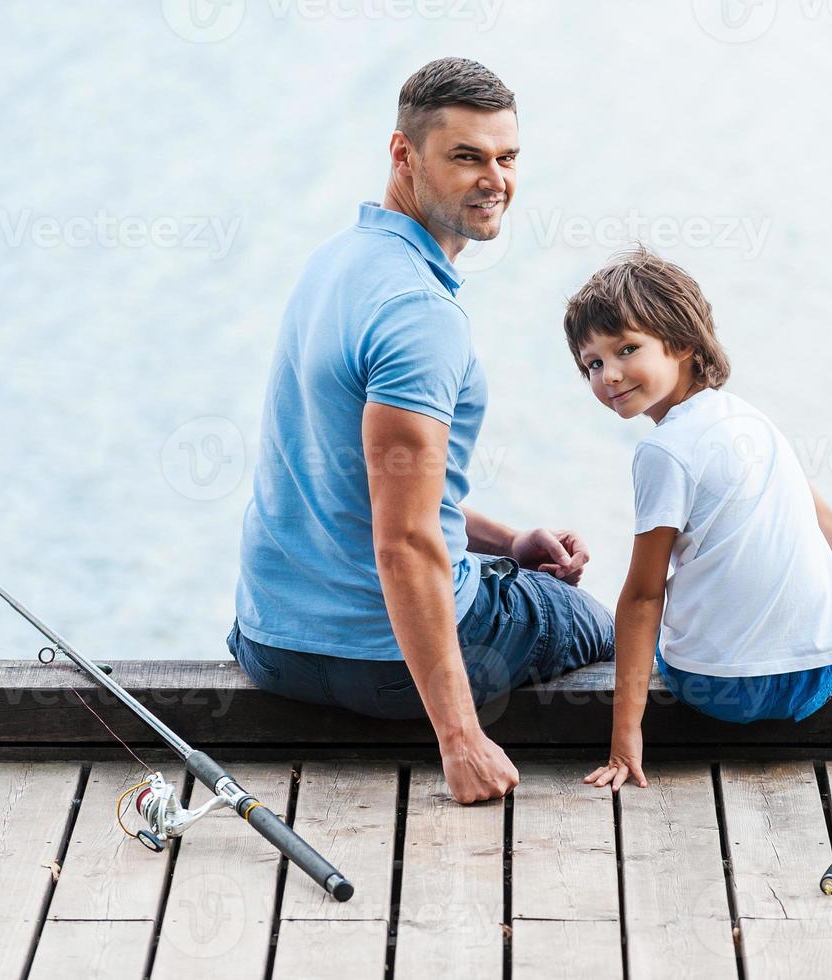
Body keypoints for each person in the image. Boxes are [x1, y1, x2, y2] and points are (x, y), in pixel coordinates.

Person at [228, 58, 615, 805]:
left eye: (506, 158)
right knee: (594, 620)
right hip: (380, 664)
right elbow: (402, 541)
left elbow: (355, 483)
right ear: (403, 155)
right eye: (466, 157)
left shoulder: (331, 266)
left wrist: (507, 545)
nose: (494, 179)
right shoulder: (419, 315)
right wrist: (460, 737)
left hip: (270, 646)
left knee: (506, 574)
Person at [565, 248, 832, 793]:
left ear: (681, 343)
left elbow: (644, 596)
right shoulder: (752, 419)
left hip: (722, 689)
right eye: (593, 364)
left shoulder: (663, 452)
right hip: (823, 672)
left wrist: (623, 738)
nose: (610, 374)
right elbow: (830, 523)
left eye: (627, 349)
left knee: (627, 624)